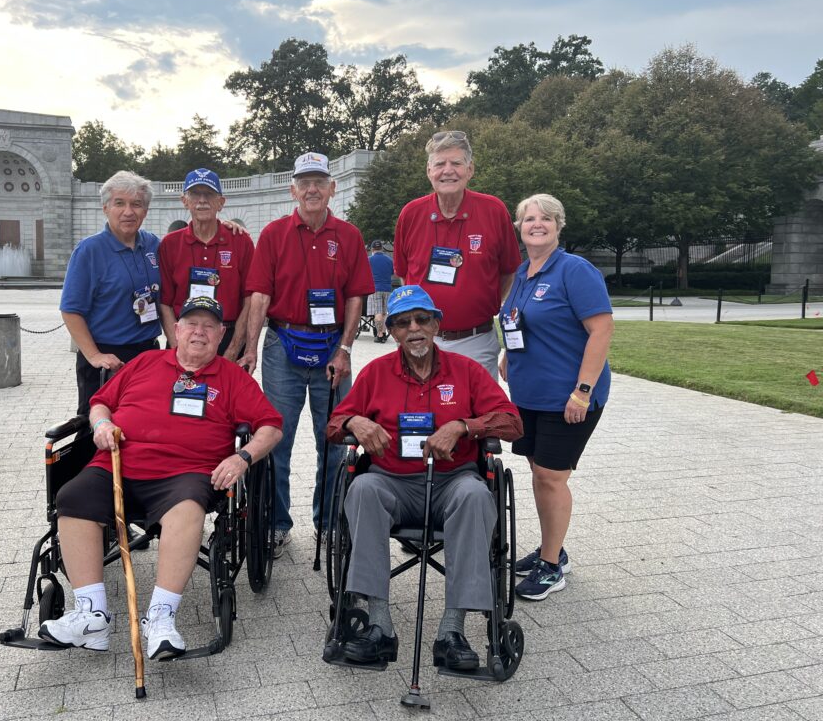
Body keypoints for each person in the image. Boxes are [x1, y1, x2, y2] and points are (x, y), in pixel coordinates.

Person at [39, 296, 283, 658]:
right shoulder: (146, 362)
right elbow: (100, 401)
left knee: (187, 508)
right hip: (117, 465)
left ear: (220, 336)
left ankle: (160, 618)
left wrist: (242, 457)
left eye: (208, 326)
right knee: (72, 497)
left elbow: (272, 426)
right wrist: (102, 423)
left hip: (185, 475)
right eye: (192, 324)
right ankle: (92, 616)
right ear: (177, 330)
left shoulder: (232, 378)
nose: (199, 332)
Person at [325, 285, 522, 668]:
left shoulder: (465, 371)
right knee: (361, 488)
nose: (414, 328)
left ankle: (452, 631)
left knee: (476, 495)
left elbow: (512, 421)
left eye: (422, 319)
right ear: (392, 331)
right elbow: (334, 425)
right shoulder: (377, 373)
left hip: (452, 481)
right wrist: (355, 420)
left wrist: (464, 426)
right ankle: (379, 626)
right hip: (391, 482)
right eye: (403, 322)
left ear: (436, 325)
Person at [240, 152, 374, 558]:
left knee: (334, 441)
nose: (312, 189)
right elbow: (260, 294)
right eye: (305, 182)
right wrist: (251, 349)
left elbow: (356, 296)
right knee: (275, 439)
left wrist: (347, 348)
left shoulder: (348, 235)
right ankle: (277, 524)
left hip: (333, 347)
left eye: (320, 181)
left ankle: (329, 523)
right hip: (284, 344)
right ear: (292, 189)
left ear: (332, 188)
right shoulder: (274, 233)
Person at [498, 194, 613, 601]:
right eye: (529, 219)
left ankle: (551, 568)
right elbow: (519, 322)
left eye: (546, 218)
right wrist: (505, 353)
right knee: (539, 473)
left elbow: (601, 330)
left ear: (558, 225)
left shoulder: (574, 270)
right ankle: (553, 548)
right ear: (519, 227)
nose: (537, 224)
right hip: (529, 393)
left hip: (568, 397)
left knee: (551, 476)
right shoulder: (523, 272)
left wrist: (582, 392)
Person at [393, 130, 521, 380]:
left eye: (456, 163)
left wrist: (486, 301)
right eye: (440, 164)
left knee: (477, 417)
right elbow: (404, 274)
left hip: (476, 340)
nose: (447, 170)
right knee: (423, 416)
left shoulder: (493, 210)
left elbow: (509, 271)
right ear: (429, 171)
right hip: (421, 341)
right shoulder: (411, 213)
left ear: (470, 169)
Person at [61, 171, 162, 416]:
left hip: (148, 353)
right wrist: (94, 355)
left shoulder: (153, 245)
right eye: (120, 203)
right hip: (107, 358)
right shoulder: (89, 250)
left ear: (145, 211)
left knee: (144, 423)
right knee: (96, 430)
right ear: (105, 208)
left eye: (136, 204)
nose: (129, 211)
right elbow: (71, 310)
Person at [158, 168, 254, 360]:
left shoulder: (241, 241)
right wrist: (178, 349)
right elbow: (165, 303)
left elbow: (249, 300)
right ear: (184, 201)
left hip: (227, 335)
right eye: (195, 194)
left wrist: (234, 349)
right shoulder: (170, 244)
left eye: (209, 194)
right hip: (184, 335)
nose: (202, 200)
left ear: (221, 202)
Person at [367, 240, 395, 343]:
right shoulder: (389, 260)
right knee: (384, 313)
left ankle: (379, 335)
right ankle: (383, 333)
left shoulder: (368, 260)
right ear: (382, 249)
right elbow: (392, 273)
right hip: (387, 288)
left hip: (375, 288)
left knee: (378, 312)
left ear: (372, 249)